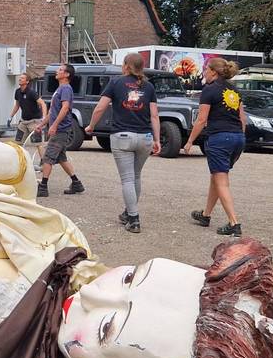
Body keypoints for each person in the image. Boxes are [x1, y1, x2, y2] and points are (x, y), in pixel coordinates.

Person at [84, 54, 161, 233]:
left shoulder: (116, 83)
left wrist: (91, 126)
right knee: (136, 176)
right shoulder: (148, 86)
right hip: (145, 138)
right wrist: (157, 139)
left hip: (122, 136)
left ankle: (134, 219)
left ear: (126, 65)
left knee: (127, 178)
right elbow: (155, 115)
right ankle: (128, 212)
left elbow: (100, 107)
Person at [183, 57, 247, 236]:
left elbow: (202, 120)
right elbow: (243, 118)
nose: (203, 72)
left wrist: (189, 141)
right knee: (217, 177)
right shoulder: (234, 91)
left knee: (222, 181)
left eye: (205, 69)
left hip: (219, 138)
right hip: (237, 138)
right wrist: (240, 137)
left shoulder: (209, 90)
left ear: (213, 72)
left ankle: (234, 224)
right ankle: (205, 215)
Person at [35, 64, 85, 198]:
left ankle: (43, 187)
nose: (57, 71)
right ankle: (76, 183)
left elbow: (65, 108)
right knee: (61, 158)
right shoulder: (60, 89)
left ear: (67, 75)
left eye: (61, 70)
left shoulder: (66, 89)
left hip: (61, 129)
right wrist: (42, 123)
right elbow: (52, 111)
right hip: (60, 128)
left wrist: (54, 125)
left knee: (48, 157)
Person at [9, 72, 47, 154]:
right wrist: (10, 117)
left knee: (38, 144)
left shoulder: (31, 92)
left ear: (27, 81)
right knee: (17, 143)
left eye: (22, 78)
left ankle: (44, 162)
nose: (20, 79)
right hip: (23, 122)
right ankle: (20, 162)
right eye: (20, 78)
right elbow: (17, 106)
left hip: (34, 122)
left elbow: (43, 104)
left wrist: (44, 118)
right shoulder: (17, 92)